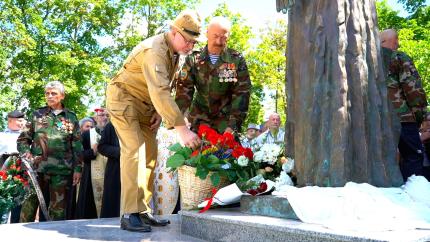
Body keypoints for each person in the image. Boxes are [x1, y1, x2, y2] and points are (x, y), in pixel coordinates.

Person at [106, 10, 202, 232]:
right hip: (124, 100)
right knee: (134, 152)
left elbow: (165, 86)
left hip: (146, 106)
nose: (190, 46)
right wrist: (182, 130)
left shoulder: (176, 52)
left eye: (193, 42)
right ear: (174, 32)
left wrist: (160, 113)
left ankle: (142, 211)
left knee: (150, 154)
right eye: (187, 40)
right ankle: (129, 214)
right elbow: (160, 90)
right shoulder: (155, 50)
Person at [17, 81, 83, 222]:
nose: (50, 96)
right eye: (47, 93)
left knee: (58, 210)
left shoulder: (70, 117)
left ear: (62, 96)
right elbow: (23, 139)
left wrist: (78, 169)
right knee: (29, 204)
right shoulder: (36, 114)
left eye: (54, 93)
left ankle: (55, 235)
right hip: (36, 168)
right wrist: (26, 153)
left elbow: (77, 145)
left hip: (61, 169)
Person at [175, 16, 252, 135]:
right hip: (198, 122)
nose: (218, 41)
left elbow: (242, 93)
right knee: (193, 153)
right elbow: (184, 90)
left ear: (228, 37)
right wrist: (182, 120)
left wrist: (233, 126)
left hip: (226, 124)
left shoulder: (236, 60)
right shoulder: (193, 59)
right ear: (207, 34)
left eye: (223, 37)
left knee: (230, 153)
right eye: (215, 36)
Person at [380, 29, 428, 181]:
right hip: (403, 119)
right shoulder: (399, 57)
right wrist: (419, 116)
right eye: (397, 41)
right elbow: (413, 89)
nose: (398, 44)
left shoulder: (366, 60)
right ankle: (413, 196)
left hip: (378, 120)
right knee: (413, 157)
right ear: (394, 42)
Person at [0, 110, 26, 223]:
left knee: (18, 204)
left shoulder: (26, 137)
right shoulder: (2, 135)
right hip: (4, 174)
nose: (22, 123)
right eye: (19, 121)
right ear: (10, 121)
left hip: (21, 175)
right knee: (3, 204)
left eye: (22, 120)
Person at [98, 121, 121, 218]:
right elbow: (102, 147)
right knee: (113, 203)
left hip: (137, 170)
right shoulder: (112, 125)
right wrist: (120, 151)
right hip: (115, 170)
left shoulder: (140, 122)